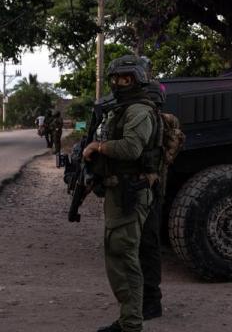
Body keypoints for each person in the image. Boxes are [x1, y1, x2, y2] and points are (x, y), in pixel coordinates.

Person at [83, 55, 162, 332]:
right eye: (115, 78)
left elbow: (131, 148)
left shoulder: (139, 110)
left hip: (131, 192)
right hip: (119, 192)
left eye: (125, 78)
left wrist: (98, 148)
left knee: (125, 258)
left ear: (137, 79)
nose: (118, 83)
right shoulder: (122, 109)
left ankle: (131, 324)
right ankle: (129, 318)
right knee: (118, 255)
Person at [137, 56, 165, 321]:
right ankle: (146, 299)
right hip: (150, 185)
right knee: (144, 244)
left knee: (147, 244)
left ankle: (151, 301)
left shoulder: (151, 113)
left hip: (150, 186)